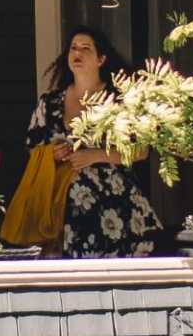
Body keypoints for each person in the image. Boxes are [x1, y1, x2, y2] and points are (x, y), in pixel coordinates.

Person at [21, 27, 161, 255]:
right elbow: (33, 146)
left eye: (86, 48)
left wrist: (95, 155)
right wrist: (52, 153)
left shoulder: (119, 100)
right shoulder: (49, 103)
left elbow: (141, 150)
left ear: (101, 59)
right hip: (62, 210)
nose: (77, 53)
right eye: (73, 48)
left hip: (115, 209)